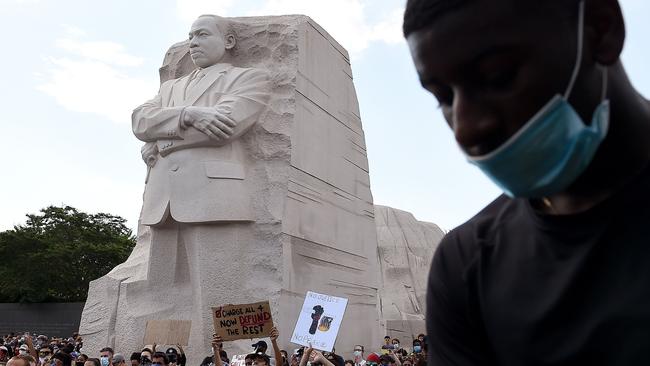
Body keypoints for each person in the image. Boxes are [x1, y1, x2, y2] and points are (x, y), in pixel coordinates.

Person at [403, 0, 650, 364]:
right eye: (443, 97)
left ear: (601, 29)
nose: (465, 127)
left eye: (498, 76)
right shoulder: (467, 266)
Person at [131, 13, 270, 351]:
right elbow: (139, 120)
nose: (193, 42)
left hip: (214, 198)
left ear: (229, 41)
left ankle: (226, 355)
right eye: (190, 36)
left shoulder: (249, 78)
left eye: (203, 35)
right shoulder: (171, 88)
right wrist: (188, 115)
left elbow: (229, 125)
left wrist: (161, 142)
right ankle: (166, 354)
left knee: (220, 293)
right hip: (163, 203)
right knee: (163, 297)